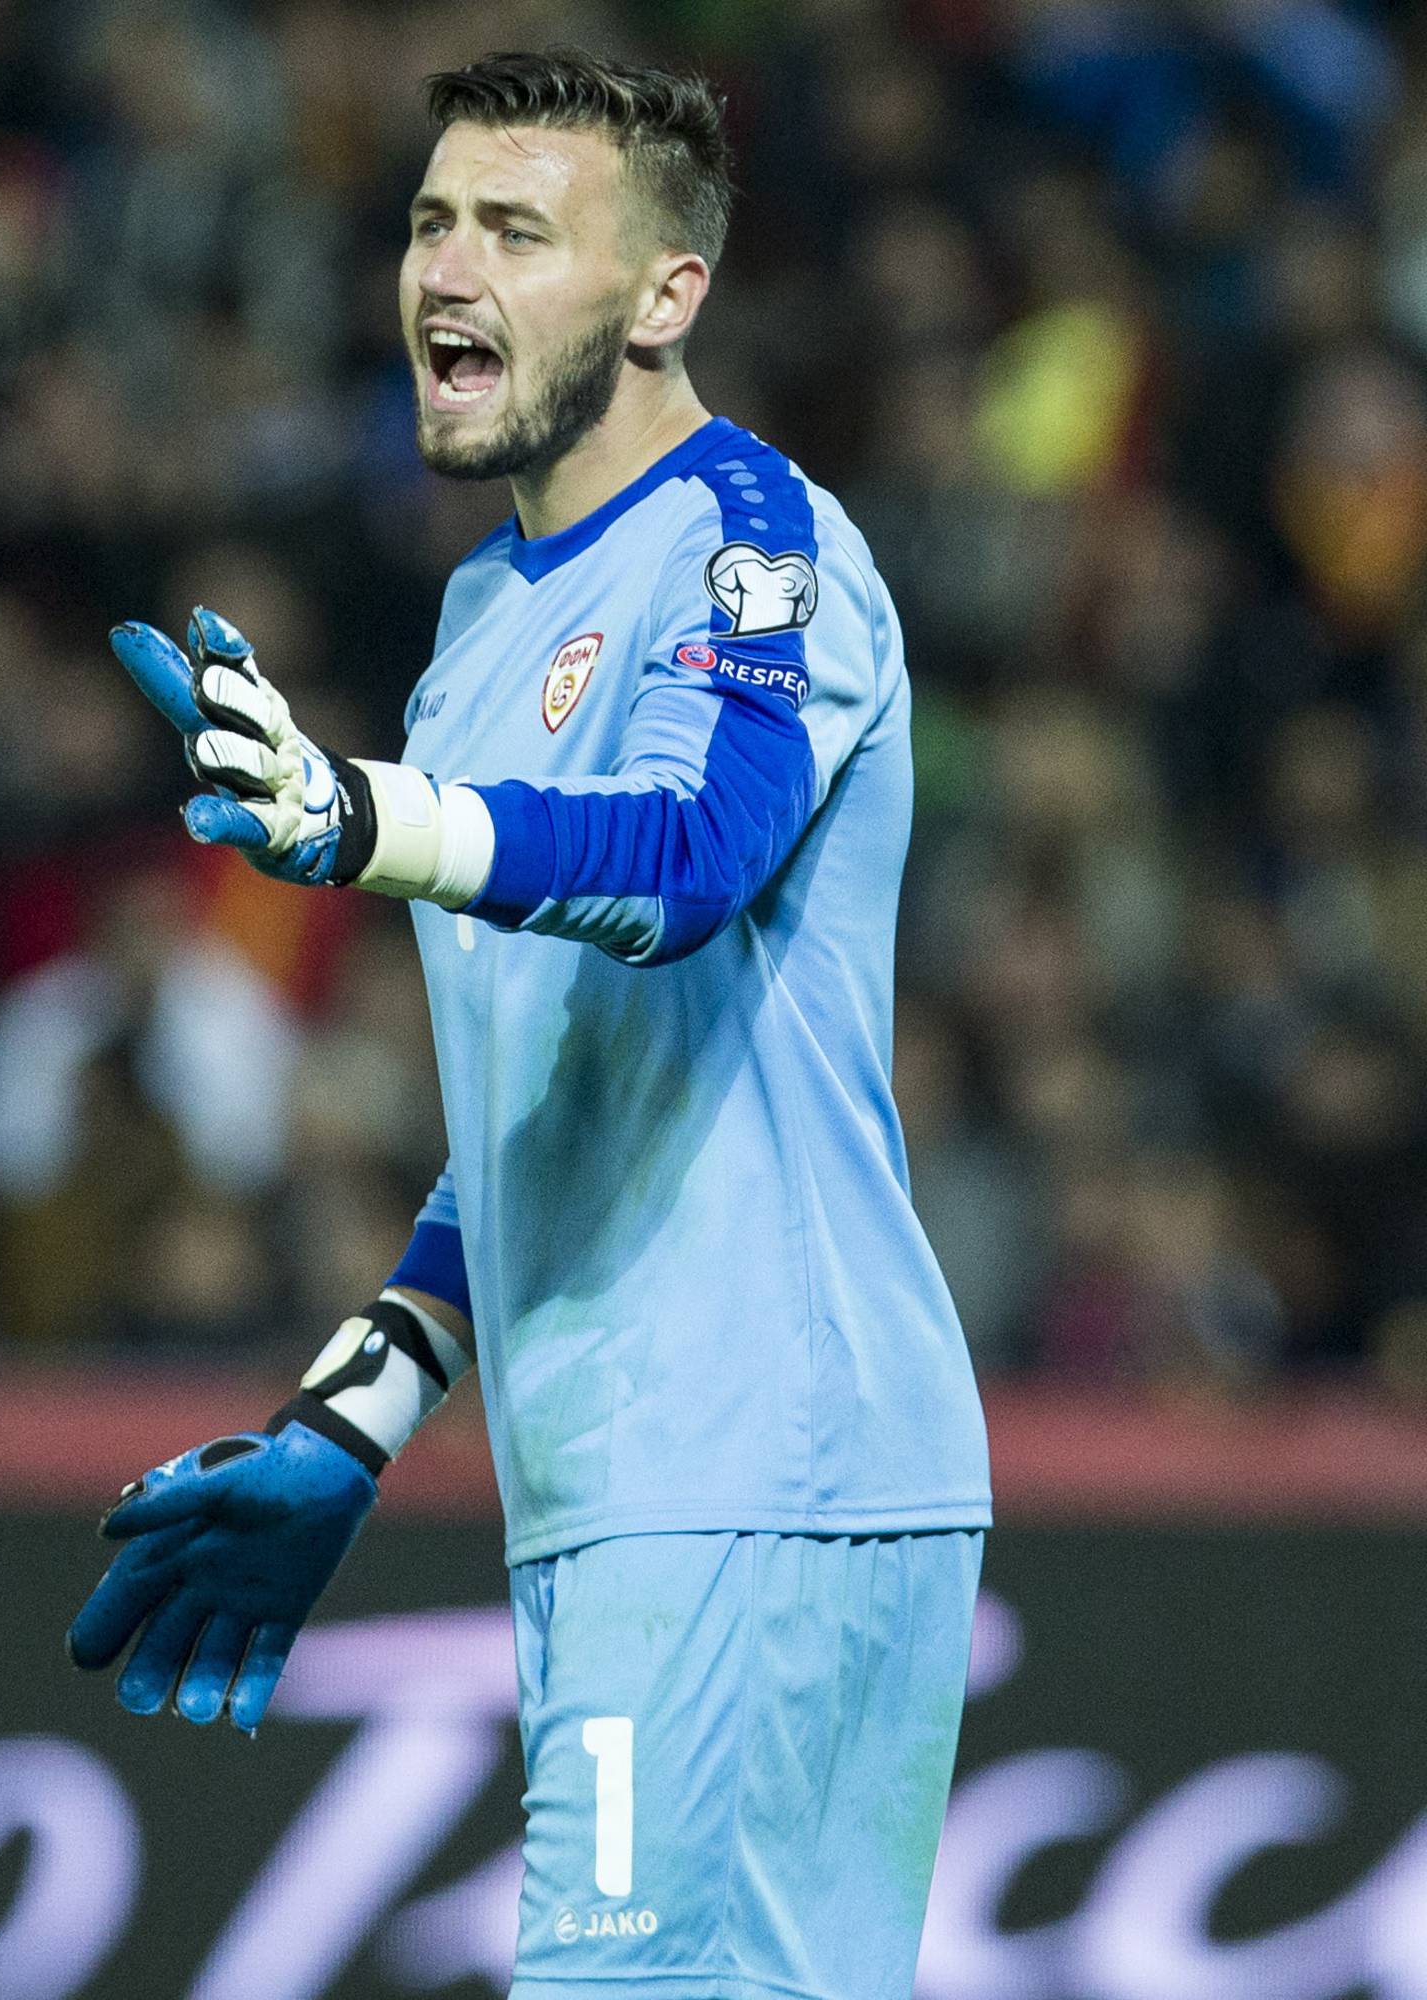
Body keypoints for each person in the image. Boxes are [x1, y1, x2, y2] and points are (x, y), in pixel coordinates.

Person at [67, 47, 990, 2000]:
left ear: (666, 294)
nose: (444, 270)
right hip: (635, 1480)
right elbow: (548, 1091)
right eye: (428, 222)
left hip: (763, 1457)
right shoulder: (487, 623)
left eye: (515, 229)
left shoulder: (760, 539)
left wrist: (358, 815)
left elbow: (690, 854)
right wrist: (361, 1404)